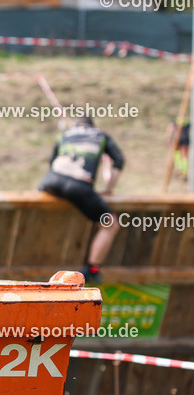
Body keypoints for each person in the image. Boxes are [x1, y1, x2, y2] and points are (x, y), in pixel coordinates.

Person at [37, 115, 124, 284]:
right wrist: (109, 188)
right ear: (93, 125)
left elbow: (52, 162)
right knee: (110, 225)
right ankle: (92, 268)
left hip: (49, 182)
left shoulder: (65, 134)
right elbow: (119, 160)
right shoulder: (101, 135)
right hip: (78, 185)